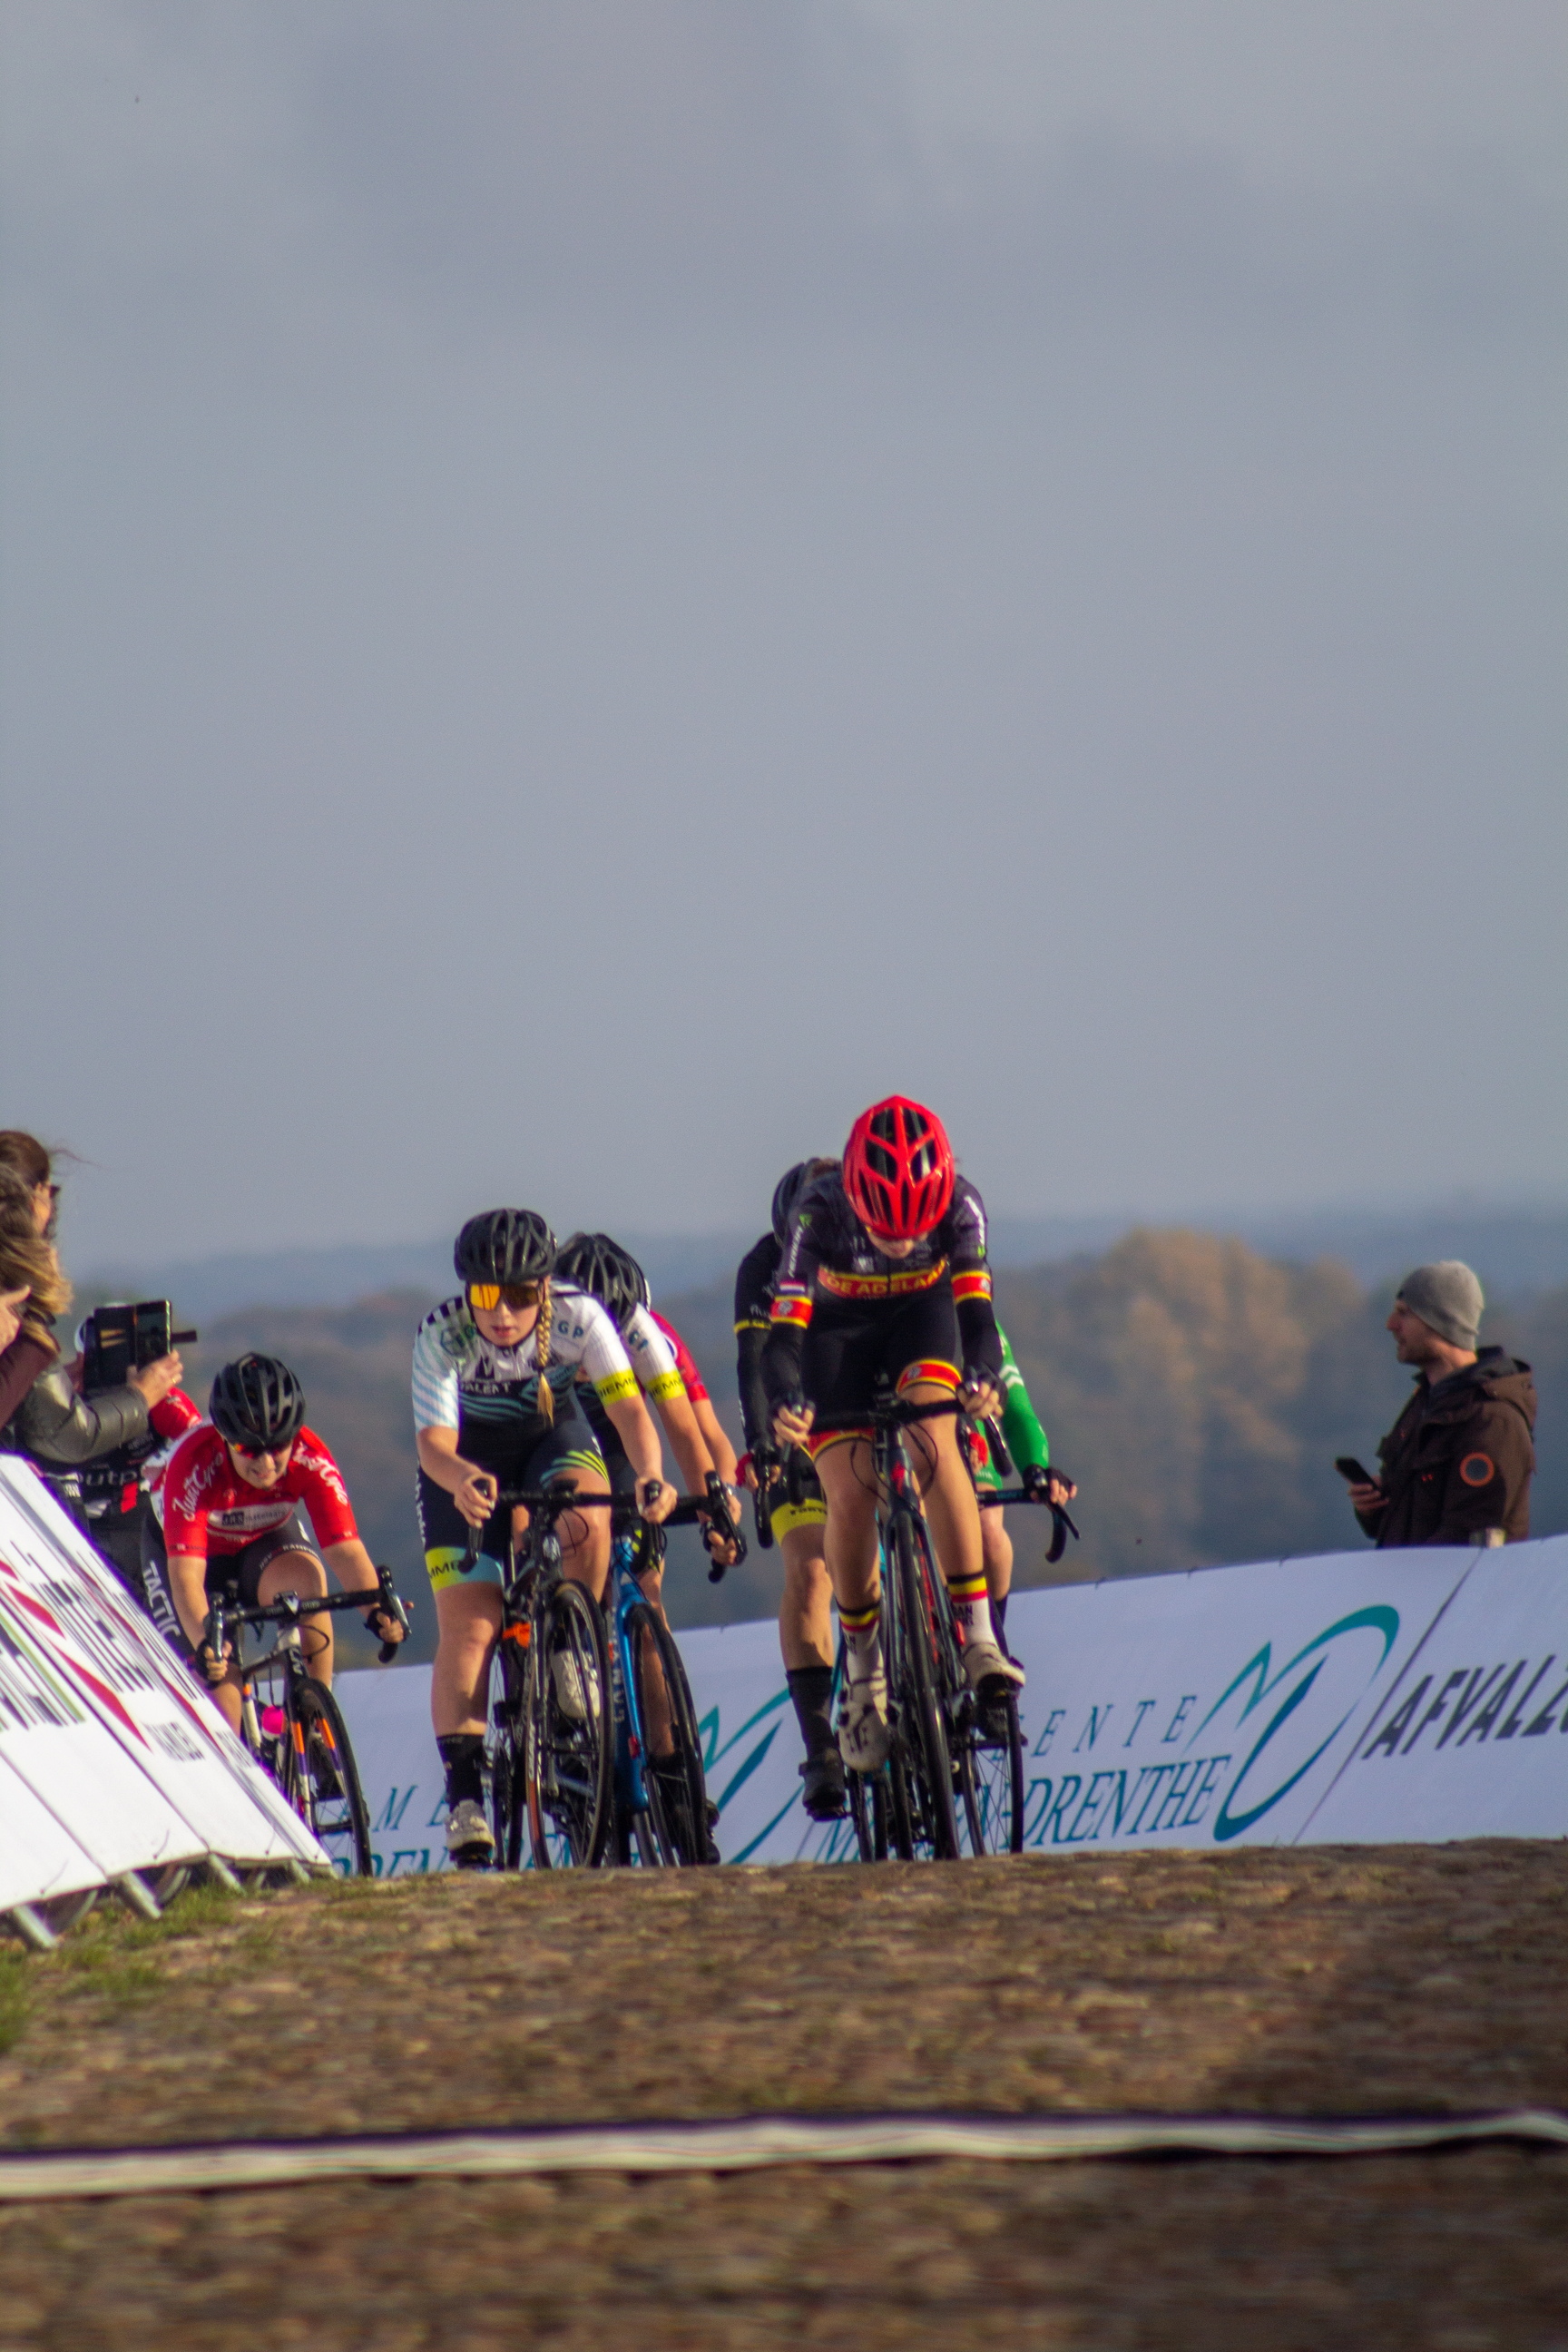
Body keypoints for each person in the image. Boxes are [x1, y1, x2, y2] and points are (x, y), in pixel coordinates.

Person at [762, 1097, 1023, 1774]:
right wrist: (787, 1396)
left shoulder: (962, 1208)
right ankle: (867, 1672)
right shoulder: (817, 1214)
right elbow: (784, 1333)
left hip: (919, 1315)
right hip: (835, 1330)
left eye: (915, 1229)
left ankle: (976, 1636)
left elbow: (977, 1315)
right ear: (854, 1193)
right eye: (885, 1229)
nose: (900, 1243)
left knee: (935, 1440)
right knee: (849, 1491)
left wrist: (986, 1376)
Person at [413, 1210, 674, 1867]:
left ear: (545, 1288)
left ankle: (571, 1643)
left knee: (590, 1514)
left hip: (549, 1440)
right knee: (472, 1630)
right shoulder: (442, 1335)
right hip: (466, 1461)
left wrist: (649, 1476)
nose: (501, 1314)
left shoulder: (582, 1316)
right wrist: (464, 1478)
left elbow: (628, 1410)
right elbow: (434, 1446)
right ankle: (466, 1794)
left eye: (521, 1295)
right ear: (465, 1291)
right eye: (485, 1296)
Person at [153, 1353, 404, 1730]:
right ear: (225, 1439)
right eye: (249, 1449)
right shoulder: (195, 1463)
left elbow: (345, 1550)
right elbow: (187, 1579)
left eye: (279, 1446)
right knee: (223, 1698)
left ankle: (315, 1723)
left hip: (262, 1542)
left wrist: (377, 1611)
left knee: (307, 1583)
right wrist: (208, 1643)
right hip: (189, 1560)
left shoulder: (310, 1456)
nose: (267, 1463)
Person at [735, 1157, 844, 1818]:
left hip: (856, 1399)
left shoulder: (860, 1243)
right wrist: (763, 1448)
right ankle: (822, 1746)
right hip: (793, 1414)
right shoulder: (761, 1265)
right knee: (809, 1574)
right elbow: (754, 1364)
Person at [1348, 1262, 1536, 1548]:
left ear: (1440, 1321)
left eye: (1404, 1313)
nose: (1391, 1324)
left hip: (1453, 1592)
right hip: (1411, 1590)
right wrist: (1373, 1509)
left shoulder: (1492, 1420)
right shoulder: (1426, 1404)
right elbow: (1408, 1521)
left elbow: (1469, 1540)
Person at [965, 1324, 1076, 1632]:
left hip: (960, 1429)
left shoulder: (975, 1315)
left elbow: (1017, 1414)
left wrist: (1035, 1469)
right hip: (878, 1429)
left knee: (987, 1530)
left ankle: (992, 1636)